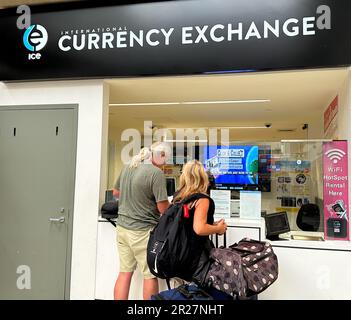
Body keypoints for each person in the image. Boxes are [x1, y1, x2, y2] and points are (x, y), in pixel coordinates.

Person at [112, 142, 171, 300]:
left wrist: (134, 196)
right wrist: (171, 205)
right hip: (142, 232)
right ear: (161, 156)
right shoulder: (156, 173)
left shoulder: (129, 165)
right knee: (150, 275)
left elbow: (116, 192)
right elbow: (163, 209)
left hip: (122, 228)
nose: (165, 165)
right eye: (165, 160)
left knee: (124, 273)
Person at [172, 160, 227, 281]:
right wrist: (219, 228)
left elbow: (188, 223)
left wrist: (211, 225)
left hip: (178, 252)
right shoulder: (202, 200)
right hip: (195, 256)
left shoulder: (178, 197)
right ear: (203, 177)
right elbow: (199, 228)